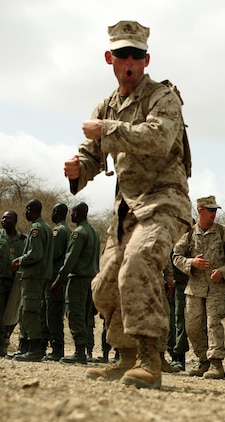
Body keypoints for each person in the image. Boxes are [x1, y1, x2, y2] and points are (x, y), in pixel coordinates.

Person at [64, 20, 192, 389]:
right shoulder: (106, 105)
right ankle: (124, 358)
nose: (130, 61)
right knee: (104, 284)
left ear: (146, 59)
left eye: (136, 54)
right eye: (122, 54)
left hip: (164, 201)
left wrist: (106, 130)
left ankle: (151, 359)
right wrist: (78, 169)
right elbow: (91, 156)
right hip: (127, 209)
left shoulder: (162, 97)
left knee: (138, 263)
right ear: (110, 58)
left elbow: (159, 138)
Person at [173, 196, 225, 380]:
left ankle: (216, 364)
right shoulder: (189, 234)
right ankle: (204, 361)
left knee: (213, 325)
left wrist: (223, 270)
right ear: (200, 210)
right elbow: (176, 255)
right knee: (192, 327)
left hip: (216, 288)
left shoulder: (223, 232)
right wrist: (191, 262)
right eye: (210, 210)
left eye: (215, 210)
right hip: (195, 288)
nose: (214, 213)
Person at [50, 203, 100, 364]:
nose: (71, 216)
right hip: (90, 278)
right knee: (85, 314)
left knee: (75, 312)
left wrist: (59, 279)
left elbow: (70, 259)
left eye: (73, 213)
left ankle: (79, 351)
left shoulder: (78, 233)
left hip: (78, 279)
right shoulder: (94, 232)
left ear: (78, 213)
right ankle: (84, 349)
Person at [11, 199, 54, 362]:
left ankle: (35, 349)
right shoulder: (45, 227)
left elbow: (36, 254)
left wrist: (19, 260)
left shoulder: (37, 228)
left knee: (30, 311)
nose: (25, 213)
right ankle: (26, 347)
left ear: (32, 210)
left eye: (27, 210)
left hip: (34, 275)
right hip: (37, 275)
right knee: (25, 310)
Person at [42, 203, 71, 361]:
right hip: (60, 278)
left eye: (53, 211)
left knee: (52, 313)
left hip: (54, 277)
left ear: (57, 212)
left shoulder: (58, 231)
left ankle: (56, 347)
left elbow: (53, 254)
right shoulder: (68, 230)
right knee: (55, 312)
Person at [0, 211, 27, 357]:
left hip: (16, 282)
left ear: (15, 221)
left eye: (7, 217)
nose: (3, 220)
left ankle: (5, 339)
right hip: (0, 280)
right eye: (3, 217)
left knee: (12, 315)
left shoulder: (23, 240)